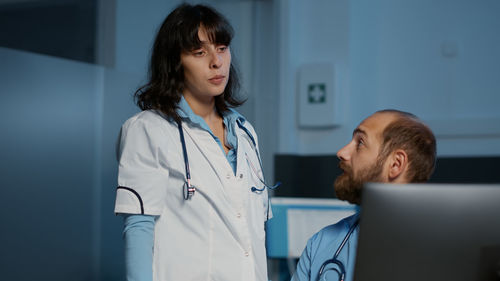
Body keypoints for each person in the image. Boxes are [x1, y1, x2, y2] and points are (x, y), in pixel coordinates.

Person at [114, 4, 276, 281]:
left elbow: (254, 227)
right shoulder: (148, 130)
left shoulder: (245, 132)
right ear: (175, 62)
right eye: (199, 53)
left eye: (222, 48)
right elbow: (140, 227)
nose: (216, 62)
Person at [291, 109, 436, 281]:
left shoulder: (444, 248)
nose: (342, 152)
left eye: (360, 142)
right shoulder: (321, 244)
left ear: (396, 163)